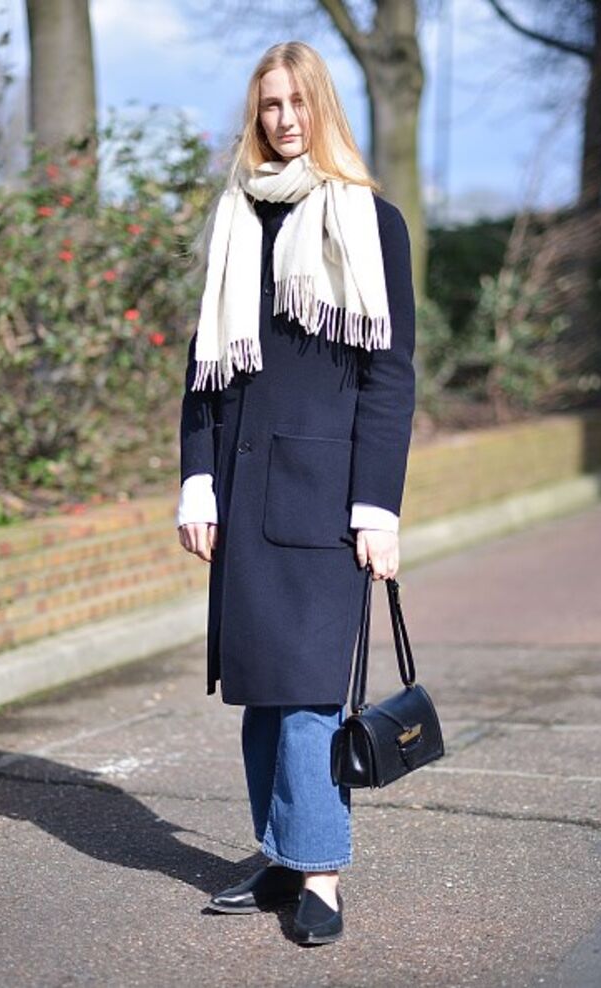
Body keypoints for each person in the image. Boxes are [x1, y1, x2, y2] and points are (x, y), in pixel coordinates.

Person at [177, 40, 415, 946]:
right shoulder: (237, 215)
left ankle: (320, 874)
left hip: (325, 493)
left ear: (323, 108)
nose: (283, 120)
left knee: (312, 692)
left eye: (297, 102)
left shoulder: (371, 220)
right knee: (262, 689)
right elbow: (206, 367)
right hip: (241, 488)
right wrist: (197, 480)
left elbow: (389, 377)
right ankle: (280, 855)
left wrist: (377, 506)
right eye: (269, 105)